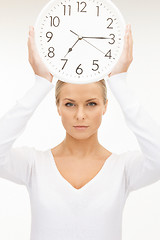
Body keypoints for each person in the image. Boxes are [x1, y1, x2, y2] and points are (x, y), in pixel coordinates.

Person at [0, 23, 160, 240]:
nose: (80, 115)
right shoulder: (33, 165)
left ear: (105, 106)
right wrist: (41, 83)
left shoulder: (123, 169)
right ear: (58, 107)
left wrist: (119, 81)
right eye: (70, 104)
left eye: (91, 104)